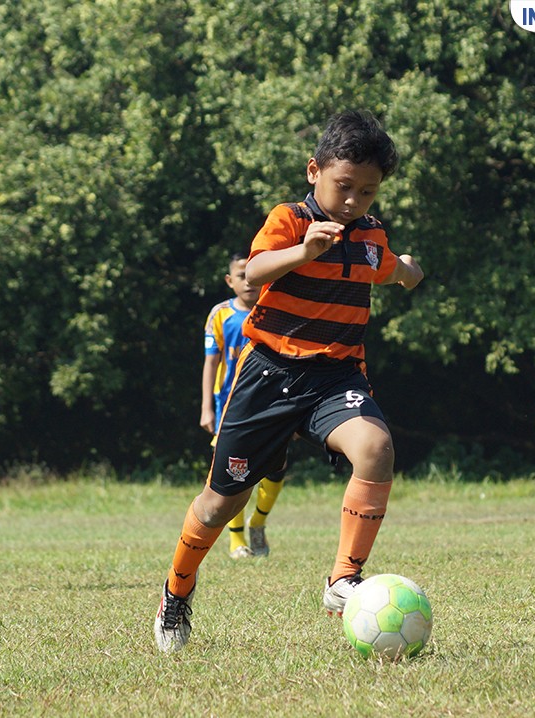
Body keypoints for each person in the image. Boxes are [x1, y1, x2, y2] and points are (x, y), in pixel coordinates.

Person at [154, 110, 424, 653]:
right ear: (314, 171)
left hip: (335, 377)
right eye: (343, 186)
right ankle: (176, 591)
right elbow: (253, 272)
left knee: (375, 447)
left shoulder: (371, 236)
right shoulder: (290, 220)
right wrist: (306, 250)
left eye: (367, 192)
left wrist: (409, 272)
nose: (353, 201)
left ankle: (342, 579)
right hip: (268, 376)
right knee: (219, 504)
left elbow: (391, 267)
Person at [201, 252, 288, 559]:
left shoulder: (275, 306)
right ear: (230, 281)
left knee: (277, 469)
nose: (248, 282)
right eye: (241, 276)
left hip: (274, 403)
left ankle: (259, 523)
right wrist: (206, 408)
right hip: (230, 406)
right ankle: (237, 540)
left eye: (252, 275)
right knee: (233, 472)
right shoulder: (220, 314)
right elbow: (211, 362)